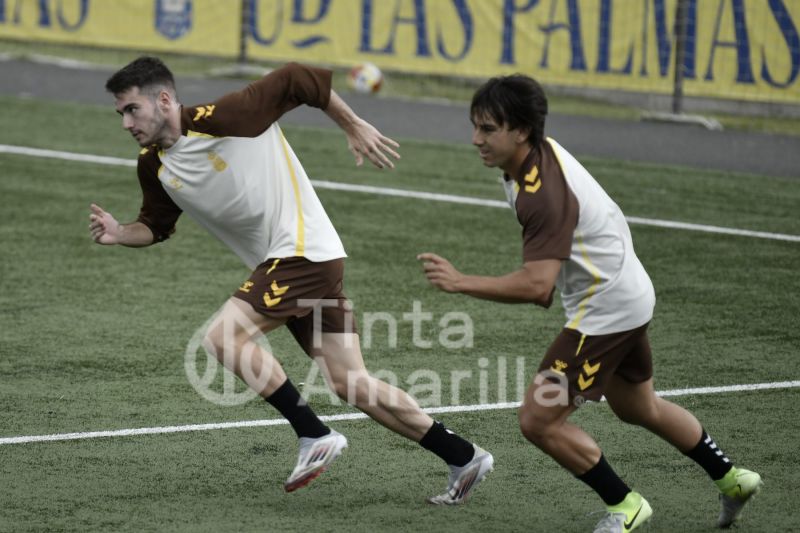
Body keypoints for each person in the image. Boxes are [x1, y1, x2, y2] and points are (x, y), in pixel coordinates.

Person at [90, 56, 493, 502]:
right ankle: (463, 456)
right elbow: (157, 224)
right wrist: (120, 233)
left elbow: (300, 77)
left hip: (301, 254)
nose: (127, 123)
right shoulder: (154, 166)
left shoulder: (228, 116)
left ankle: (313, 433)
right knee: (352, 383)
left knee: (223, 338)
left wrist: (352, 123)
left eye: (132, 110)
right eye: (121, 114)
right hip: (300, 263)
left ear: (163, 100)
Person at [417, 74, 762, 531]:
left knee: (538, 420)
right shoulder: (532, 159)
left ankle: (625, 505)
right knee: (640, 407)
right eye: (475, 126)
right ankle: (733, 478)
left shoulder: (543, 194)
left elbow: (537, 286)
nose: (476, 139)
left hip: (605, 311)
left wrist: (461, 282)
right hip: (629, 292)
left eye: (487, 129)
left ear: (521, 131)